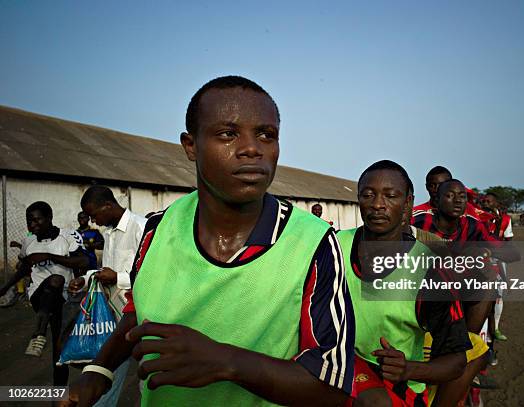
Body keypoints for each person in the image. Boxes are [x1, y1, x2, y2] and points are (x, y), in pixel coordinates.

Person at [62, 76, 354, 406]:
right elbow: (139, 312)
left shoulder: (313, 242)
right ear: (190, 146)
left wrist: (227, 363)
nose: (252, 149)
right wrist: (98, 370)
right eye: (228, 134)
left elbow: (330, 386)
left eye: (266, 135)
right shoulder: (159, 229)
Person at [336, 160, 472, 406]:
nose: (378, 204)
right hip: (337, 370)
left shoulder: (431, 270)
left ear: (408, 202)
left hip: (396, 388)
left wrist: (408, 369)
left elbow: (456, 361)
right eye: (368, 195)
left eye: (391, 195)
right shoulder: (333, 248)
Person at [413, 180, 519, 405]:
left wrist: (483, 250)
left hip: (461, 298)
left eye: (462, 196)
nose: (458, 200)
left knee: (490, 279)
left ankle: (471, 342)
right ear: (436, 200)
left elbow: (511, 253)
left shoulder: (473, 225)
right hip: (423, 298)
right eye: (451, 195)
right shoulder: (419, 222)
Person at [69, 186, 147, 406]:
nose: (93, 221)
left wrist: (119, 277)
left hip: (140, 317)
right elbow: (106, 269)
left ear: (108, 206)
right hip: (113, 317)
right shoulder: (110, 234)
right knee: (105, 375)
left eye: (94, 215)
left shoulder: (141, 228)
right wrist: (85, 279)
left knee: (147, 378)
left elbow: (155, 276)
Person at [0, 201, 89, 385]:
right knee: (55, 280)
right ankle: (39, 333)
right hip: (39, 297)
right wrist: (5, 287)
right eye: (28, 221)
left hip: (64, 300)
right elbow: (24, 268)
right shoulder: (29, 241)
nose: (32, 225)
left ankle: (59, 395)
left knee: (59, 352)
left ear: (49, 218)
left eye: (36, 220)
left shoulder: (68, 236)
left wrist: (49, 256)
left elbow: (83, 262)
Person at [481, 192, 514, 345]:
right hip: (481, 259)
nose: (485, 203)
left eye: (489, 201)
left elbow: (508, 241)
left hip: (499, 260)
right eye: (484, 201)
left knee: (499, 295)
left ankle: (496, 328)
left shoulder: (506, 219)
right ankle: (484, 333)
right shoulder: (477, 218)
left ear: (496, 204)